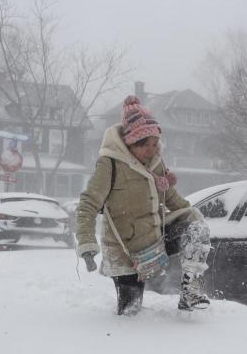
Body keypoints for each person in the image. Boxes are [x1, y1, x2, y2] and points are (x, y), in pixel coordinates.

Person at [75, 95, 212, 315]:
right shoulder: (109, 163)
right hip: (125, 250)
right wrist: (87, 244)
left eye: (155, 143)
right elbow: (88, 204)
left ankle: (191, 292)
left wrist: (195, 215)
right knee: (131, 311)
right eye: (145, 145)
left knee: (196, 229)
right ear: (130, 143)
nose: (152, 150)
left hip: (156, 239)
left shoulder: (156, 162)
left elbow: (171, 198)